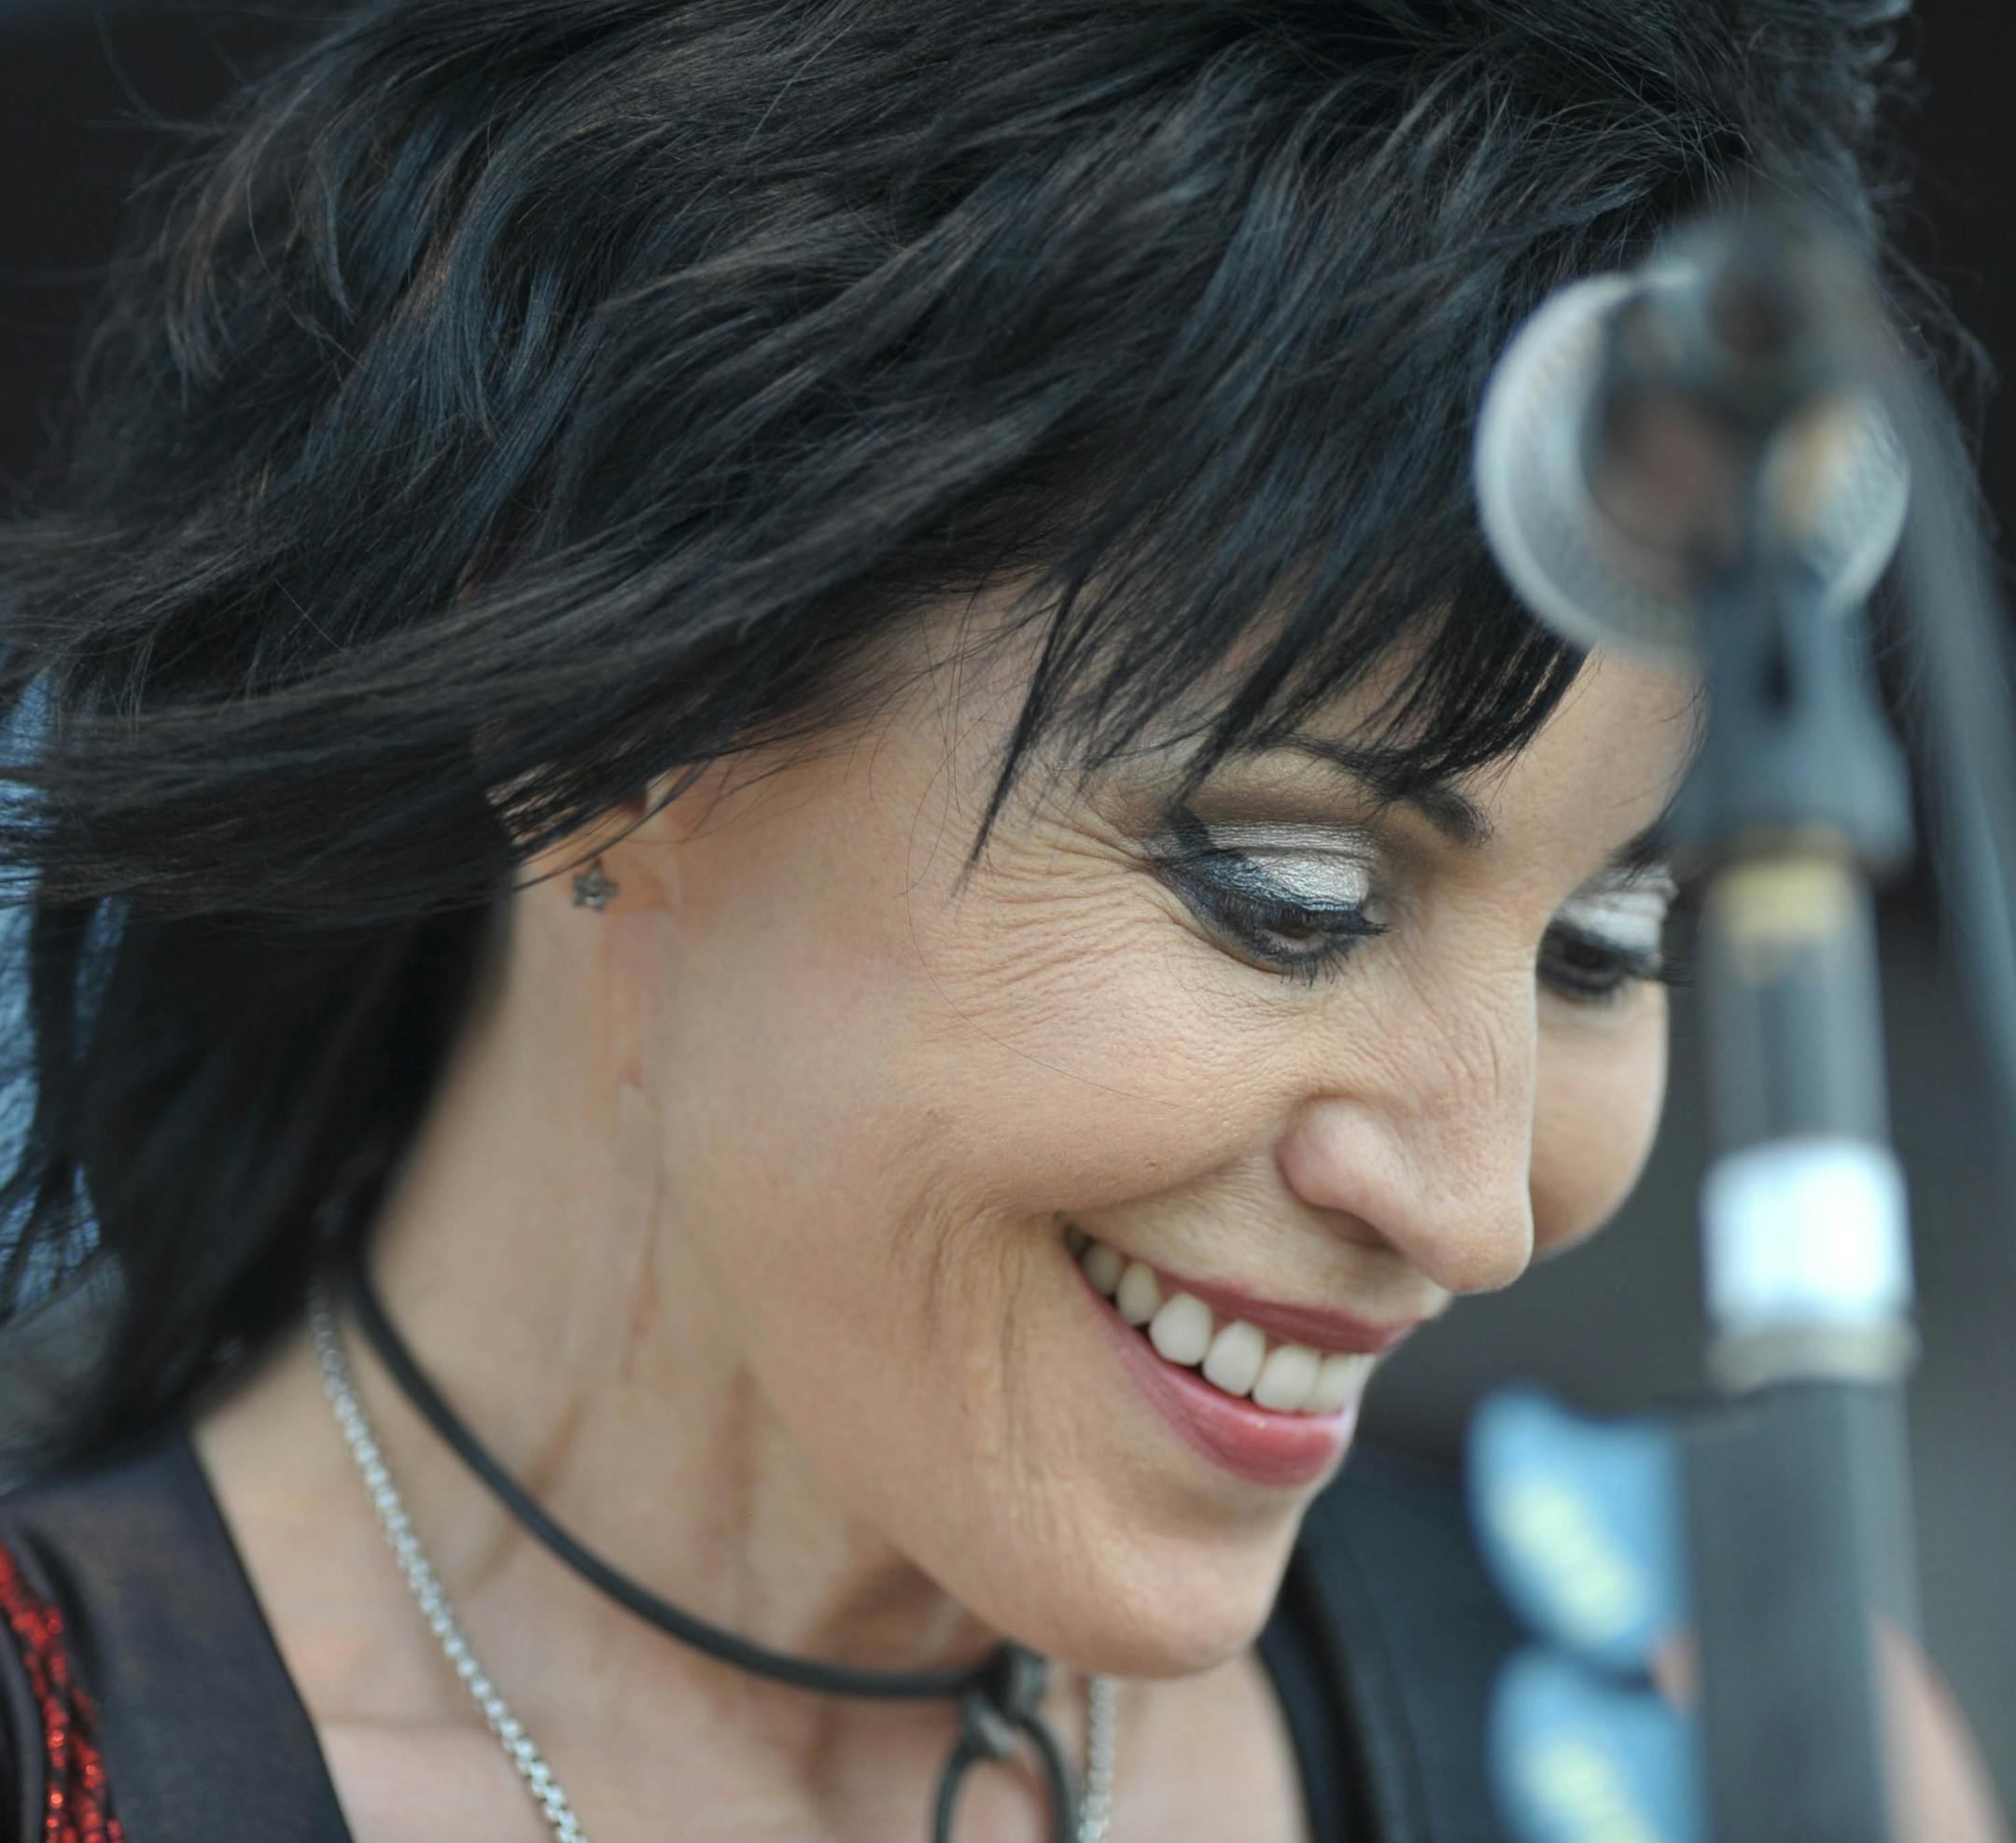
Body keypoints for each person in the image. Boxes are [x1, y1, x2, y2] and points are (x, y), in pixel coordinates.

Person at [0, 0, 2003, 1837]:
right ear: (610, 715)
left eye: (1605, 942)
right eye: (1286, 895)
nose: (1474, 1212)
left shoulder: (1692, 1754)